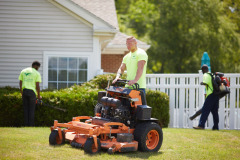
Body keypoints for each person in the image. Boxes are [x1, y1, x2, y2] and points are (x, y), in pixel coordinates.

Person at [193, 65, 220, 130]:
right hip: (216, 95)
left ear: (204, 70)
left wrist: (202, 83)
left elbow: (205, 82)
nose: (202, 72)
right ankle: (216, 127)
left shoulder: (205, 75)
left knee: (205, 110)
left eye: (202, 70)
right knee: (215, 112)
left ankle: (201, 125)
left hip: (210, 95)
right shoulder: (212, 74)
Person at [19, 61, 42, 126]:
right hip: (32, 92)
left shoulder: (23, 71)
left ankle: (26, 125)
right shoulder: (37, 73)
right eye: (38, 67)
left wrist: (21, 92)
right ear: (36, 66)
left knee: (26, 109)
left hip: (24, 91)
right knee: (31, 109)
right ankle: (31, 125)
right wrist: (39, 96)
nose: (38, 68)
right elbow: (37, 86)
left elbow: (20, 82)